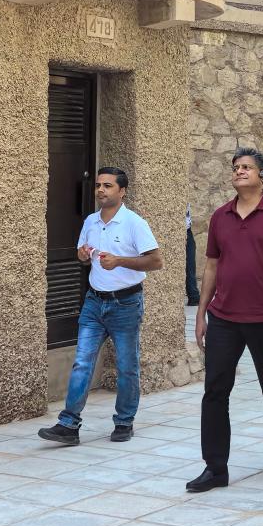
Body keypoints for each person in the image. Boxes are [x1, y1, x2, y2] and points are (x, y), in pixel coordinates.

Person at [185, 148, 263, 493]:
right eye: (236, 167)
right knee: (215, 391)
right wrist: (201, 313)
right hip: (224, 317)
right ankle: (215, 467)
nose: (239, 171)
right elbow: (211, 266)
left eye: (247, 167)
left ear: (262, 175)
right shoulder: (220, 216)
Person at [39, 167, 162, 446]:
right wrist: (83, 255)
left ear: (122, 191)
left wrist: (120, 261)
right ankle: (68, 425)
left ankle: (124, 422)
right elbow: (83, 256)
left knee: (127, 366)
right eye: (98, 185)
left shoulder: (134, 223)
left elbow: (156, 261)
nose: (100, 190)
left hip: (126, 303)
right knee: (82, 362)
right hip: (94, 302)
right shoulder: (91, 221)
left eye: (108, 186)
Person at [185, 202, 200, 306]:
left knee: (190, 264)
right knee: (189, 264)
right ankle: (193, 296)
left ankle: (194, 296)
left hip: (187, 230)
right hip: (183, 230)